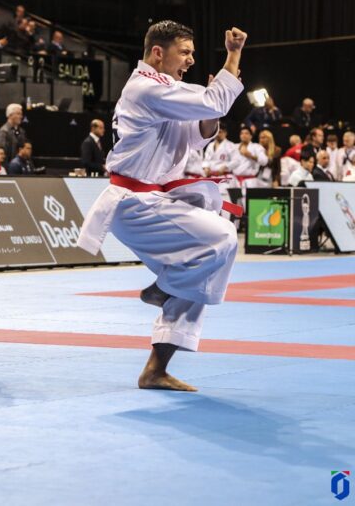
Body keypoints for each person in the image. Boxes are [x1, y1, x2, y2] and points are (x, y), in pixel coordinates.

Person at [77, 20, 248, 392]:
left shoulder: (165, 89)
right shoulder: (144, 89)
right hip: (134, 202)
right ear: (158, 52)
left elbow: (196, 134)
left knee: (203, 268)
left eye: (191, 54)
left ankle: (156, 367)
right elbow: (213, 98)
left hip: (152, 199)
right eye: (184, 52)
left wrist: (207, 108)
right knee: (219, 239)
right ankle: (165, 287)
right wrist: (232, 56)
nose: (189, 60)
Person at [231, 126, 268, 191]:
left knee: (247, 200)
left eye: (246, 133)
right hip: (235, 180)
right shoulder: (234, 147)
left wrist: (250, 156)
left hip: (250, 181)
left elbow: (264, 161)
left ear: (251, 136)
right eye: (242, 133)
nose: (244, 135)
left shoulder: (257, 147)